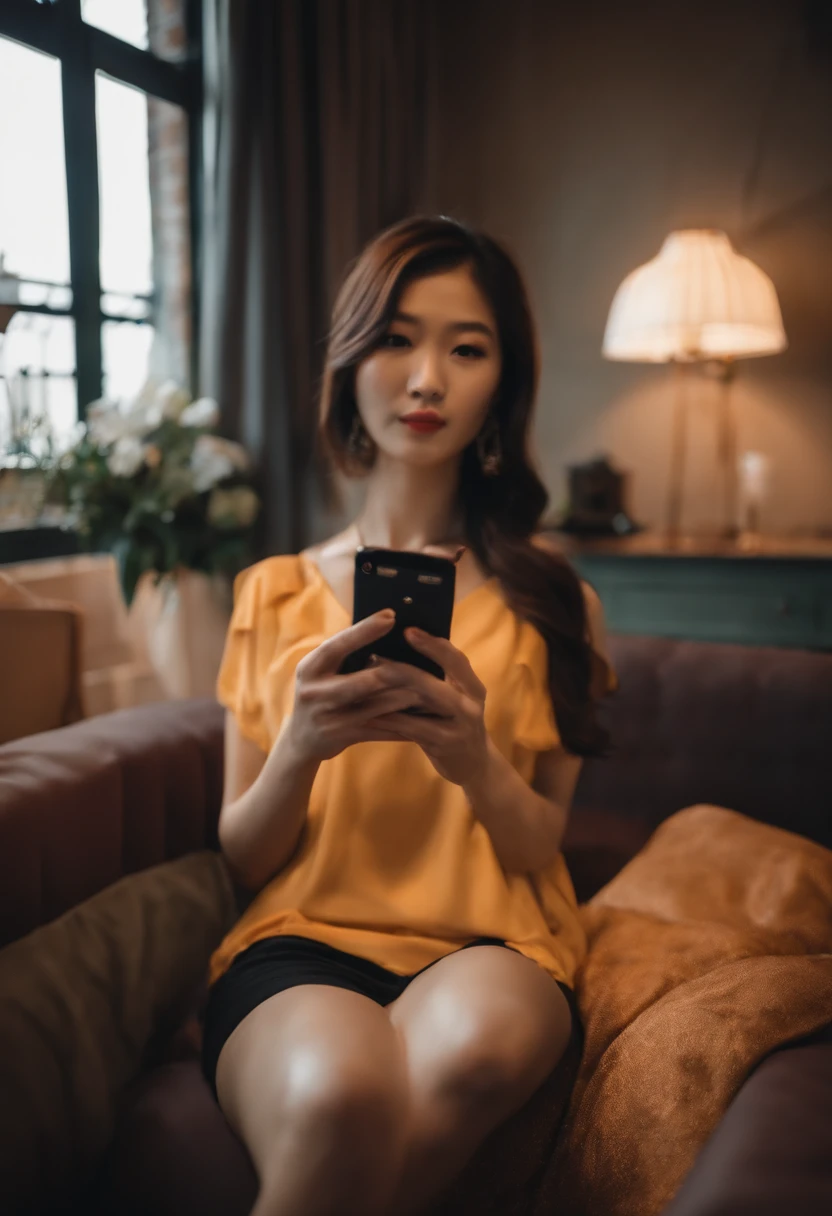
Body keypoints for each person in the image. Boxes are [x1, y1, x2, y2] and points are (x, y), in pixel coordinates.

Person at [200, 215, 617, 1216]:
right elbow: (243, 855)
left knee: (469, 1049)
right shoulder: (272, 593)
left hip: (494, 943)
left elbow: (538, 840)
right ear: (350, 361)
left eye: (464, 348)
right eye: (396, 337)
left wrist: (472, 757)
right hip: (299, 936)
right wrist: (298, 747)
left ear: (499, 386)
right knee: (340, 1096)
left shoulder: (558, 604)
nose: (425, 377)